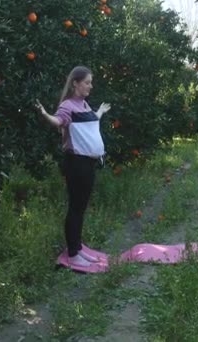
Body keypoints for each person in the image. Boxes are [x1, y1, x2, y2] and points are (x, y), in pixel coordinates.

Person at [35, 66, 111, 267]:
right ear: (76, 83)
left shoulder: (84, 105)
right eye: (87, 82)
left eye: (90, 82)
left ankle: (77, 248)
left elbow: (90, 122)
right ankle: (73, 253)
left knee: (81, 207)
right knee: (75, 208)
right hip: (76, 164)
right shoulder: (68, 106)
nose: (90, 86)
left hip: (88, 164)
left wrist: (100, 112)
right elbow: (58, 120)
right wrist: (44, 114)